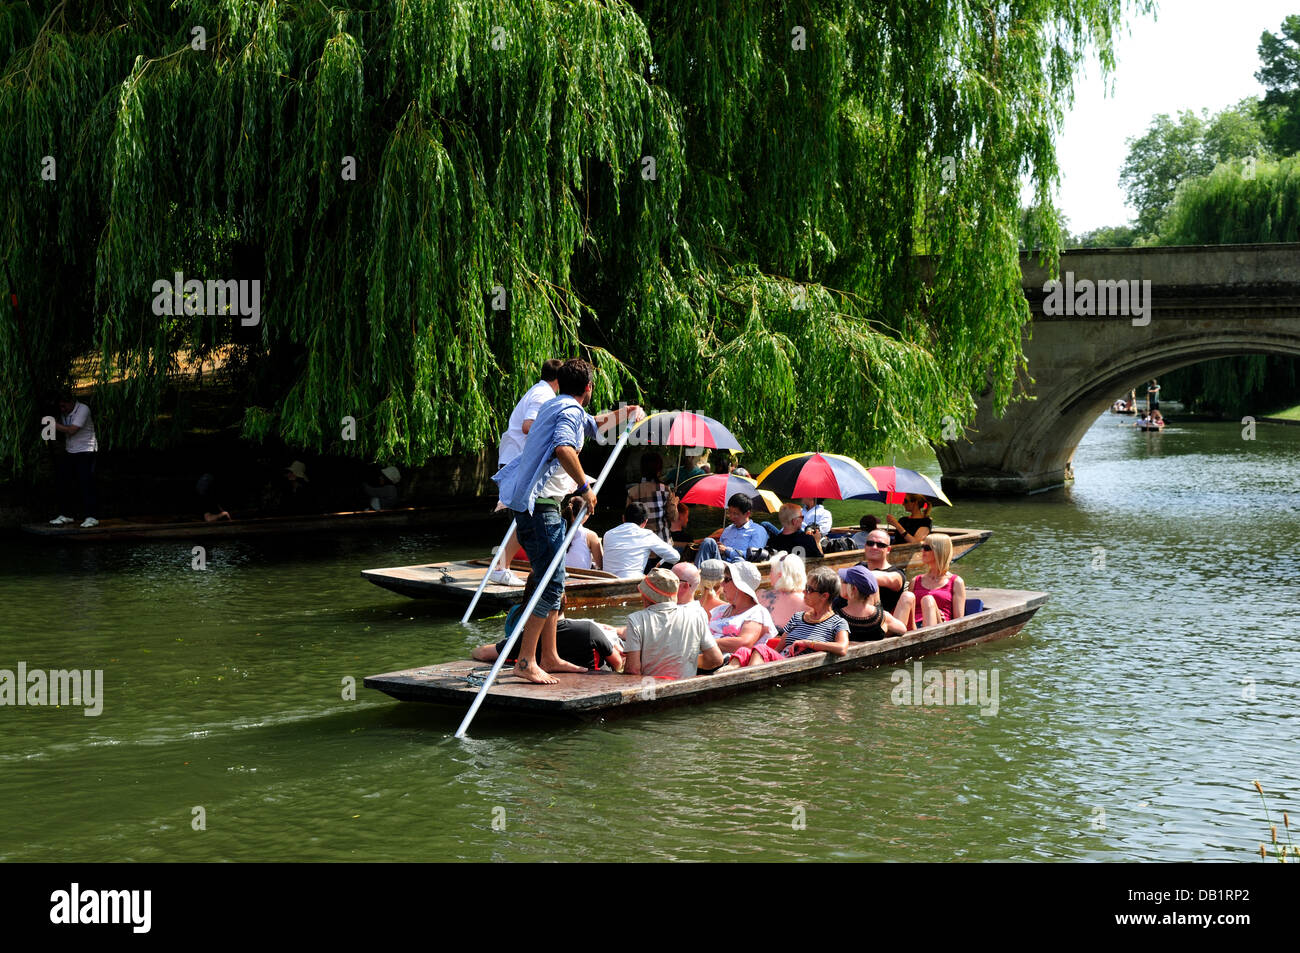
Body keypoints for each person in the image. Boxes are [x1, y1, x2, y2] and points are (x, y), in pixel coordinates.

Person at [493, 358, 641, 684]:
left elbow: (595, 424)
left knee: (548, 579)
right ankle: (526, 660)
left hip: (540, 506)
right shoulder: (568, 412)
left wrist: (626, 412)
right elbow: (563, 447)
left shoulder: (556, 404)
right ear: (588, 388)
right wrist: (586, 488)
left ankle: (550, 655)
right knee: (552, 584)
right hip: (542, 508)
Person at [489, 359, 564, 585]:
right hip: (517, 464)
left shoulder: (538, 391)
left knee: (524, 518)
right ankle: (502, 567)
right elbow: (528, 425)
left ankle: (508, 566)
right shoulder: (543, 395)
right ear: (559, 380)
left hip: (517, 462)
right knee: (526, 517)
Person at [473, 577, 624, 672]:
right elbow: (617, 664)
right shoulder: (589, 629)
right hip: (589, 684)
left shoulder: (528, 639)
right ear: (565, 601)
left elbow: (481, 653)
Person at [728, 566, 849, 667]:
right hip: (784, 662)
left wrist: (808, 643)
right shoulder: (797, 617)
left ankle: (751, 682)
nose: (803, 592)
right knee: (743, 651)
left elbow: (842, 648)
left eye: (809, 589)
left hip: (797, 666)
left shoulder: (837, 623)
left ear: (824, 596)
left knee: (761, 649)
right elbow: (778, 649)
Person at [623, 568, 724, 679]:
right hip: (685, 687)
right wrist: (689, 662)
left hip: (651, 690)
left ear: (645, 595)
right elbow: (716, 659)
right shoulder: (697, 615)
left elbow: (632, 670)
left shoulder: (635, 620)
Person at [706, 561, 778, 660]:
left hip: (731, 664)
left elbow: (744, 642)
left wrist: (705, 643)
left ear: (739, 586)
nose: (722, 584)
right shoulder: (720, 610)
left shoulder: (757, 612)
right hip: (706, 657)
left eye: (726, 579)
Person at [894, 532, 966, 630]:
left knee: (928, 600)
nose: (922, 551)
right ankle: (893, 636)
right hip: (914, 627)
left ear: (939, 551)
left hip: (940, 627)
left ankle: (928, 639)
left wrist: (938, 613)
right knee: (906, 596)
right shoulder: (916, 580)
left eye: (926, 548)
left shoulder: (956, 582)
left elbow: (959, 621)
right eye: (922, 547)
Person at [48, 391, 99, 528]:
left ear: (71, 402)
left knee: (85, 483)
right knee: (64, 482)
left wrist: (52, 424)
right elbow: (52, 433)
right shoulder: (62, 411)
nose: (62, 409)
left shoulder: (83, 409)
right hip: (70, 451)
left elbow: (72, 430)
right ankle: (66, 515)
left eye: (64, 406)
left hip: (86, 450)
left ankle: (91, 517)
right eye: (60, 406)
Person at [600, 502, 681, 579]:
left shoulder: (608, 534)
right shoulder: (646, 535)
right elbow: (675, 556)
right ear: (645, 522)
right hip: (632, 585)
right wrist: (659, 563)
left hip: (607, 584)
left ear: (623, 518)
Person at [842, 527, 907, 616]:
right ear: (865, 546)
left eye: (880, 545)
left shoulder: (897, 573)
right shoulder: (860, 566)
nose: (874, 547)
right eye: (870, 543)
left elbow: (889, 579)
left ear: (888, 550)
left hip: (880, 623)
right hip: (852, 617)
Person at [694, 493, 770, 564]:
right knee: (708, 541)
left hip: (739, 566)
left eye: (735, 514)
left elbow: (753, 555)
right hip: (721, 562)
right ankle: (696, 572)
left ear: (747, 514)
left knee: (738, 560)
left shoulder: (758, 530)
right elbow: (720, 549)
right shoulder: (728, 529)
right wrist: (719, 548)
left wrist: (727, 550)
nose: (731, 517)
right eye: (729, 512)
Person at [836, 565, 905, 642]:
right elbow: (902, 629)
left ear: (853, 589)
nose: (839, 584)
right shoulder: (882, 617)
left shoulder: (836, 618)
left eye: (843, 581)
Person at [626, 452, 678, 543]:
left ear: (642, 469)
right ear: (659, 470)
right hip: (663, 543)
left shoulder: (632, 492)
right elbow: (673, 517)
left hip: (640, 544)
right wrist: (675, 503)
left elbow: (628, 521)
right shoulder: (665, 490)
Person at [757, 551, 807, 629]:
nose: (769, 575)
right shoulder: (810, 601)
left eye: (771, 571)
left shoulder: (761, 595)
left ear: (780, 575)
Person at [562, 496, 603, 570]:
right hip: (581, 580)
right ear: (584, 515)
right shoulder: (590, 535)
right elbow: (601, 565)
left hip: (560, 577)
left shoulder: (556, 531)